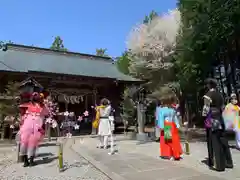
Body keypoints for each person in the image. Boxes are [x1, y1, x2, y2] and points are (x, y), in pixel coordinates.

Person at [202, 78, 233, 171]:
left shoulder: (208, 95)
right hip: (220, 117)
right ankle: (229, 162)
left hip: (212, 118)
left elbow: (205, 110)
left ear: (208, 85)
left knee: (214, 140)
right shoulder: (220, 95)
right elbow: (223, 107)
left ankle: (218, 164)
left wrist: (204, 116)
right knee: (223, 140)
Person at [19, 92, 49, 167]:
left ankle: (25, 161)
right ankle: (31, 161)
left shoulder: (28, 105)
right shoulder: (42, 106)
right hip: (36, 125)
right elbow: (47, 113)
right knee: (33, 143)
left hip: (27, 125)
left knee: (24, 142)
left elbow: (22, 111)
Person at [157, 95, 182, 160]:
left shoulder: (162, 110)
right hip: (173, 125)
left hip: (167, 126)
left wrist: (161, 126)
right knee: (174, 140)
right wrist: (177, 125)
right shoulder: (172, 110)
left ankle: (170, 154)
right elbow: (175, 118)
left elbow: (161, 118)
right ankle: (175, 154)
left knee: (168, 141)